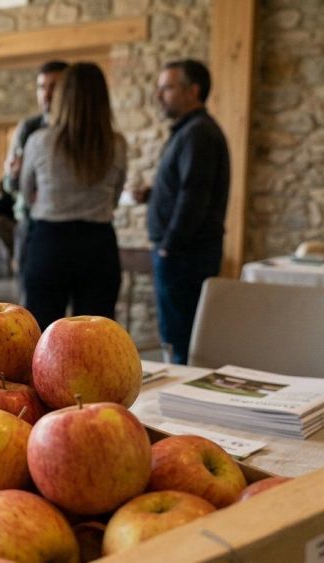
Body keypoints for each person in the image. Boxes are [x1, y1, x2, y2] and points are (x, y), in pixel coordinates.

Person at [19, 62, 127, 329]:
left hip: (50, 242)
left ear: (62, 96)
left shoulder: (40, 141)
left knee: (43, 334)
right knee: (95, 336)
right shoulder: (116, 144)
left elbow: (26, 192)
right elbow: (115, 196)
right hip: (98, 244)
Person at [146, 59, 230, 365]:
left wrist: (169, 246)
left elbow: (194, 196)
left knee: (181, 341)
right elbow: (186, 188)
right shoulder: (191, 131)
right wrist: (152, 195)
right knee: (178, 337)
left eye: (167, 88)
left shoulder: (198, 134)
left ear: (193, 91)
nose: (159, 95)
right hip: (183, 252)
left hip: (184, 255)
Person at [4, 60, 68, 282]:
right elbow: (10, 184)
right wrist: (14, 174)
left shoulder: (81, 131)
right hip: (32, 225)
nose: (47, 94)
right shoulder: (28, 128)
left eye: (54, 87)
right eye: (42, 87)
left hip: (71, 226)